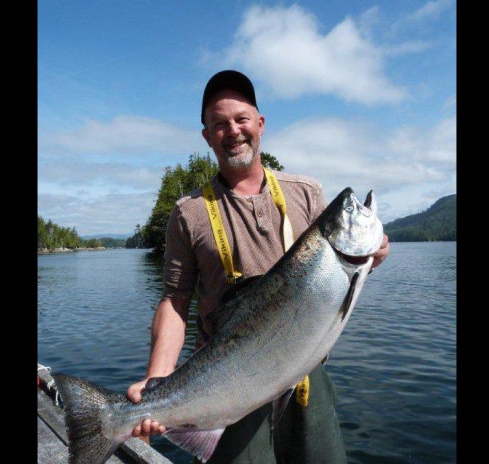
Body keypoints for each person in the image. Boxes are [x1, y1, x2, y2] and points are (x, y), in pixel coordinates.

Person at [126, 70, 390, 463]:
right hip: (222, 383)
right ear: (206, 136)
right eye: (219, 124)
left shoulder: (307, 193)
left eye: (241, 119)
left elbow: (335, 282)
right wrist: (156, 378)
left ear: (260, 124)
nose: (232, 131)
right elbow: (176, 301)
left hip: (304, 375)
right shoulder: (189, 214)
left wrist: (371, 259)